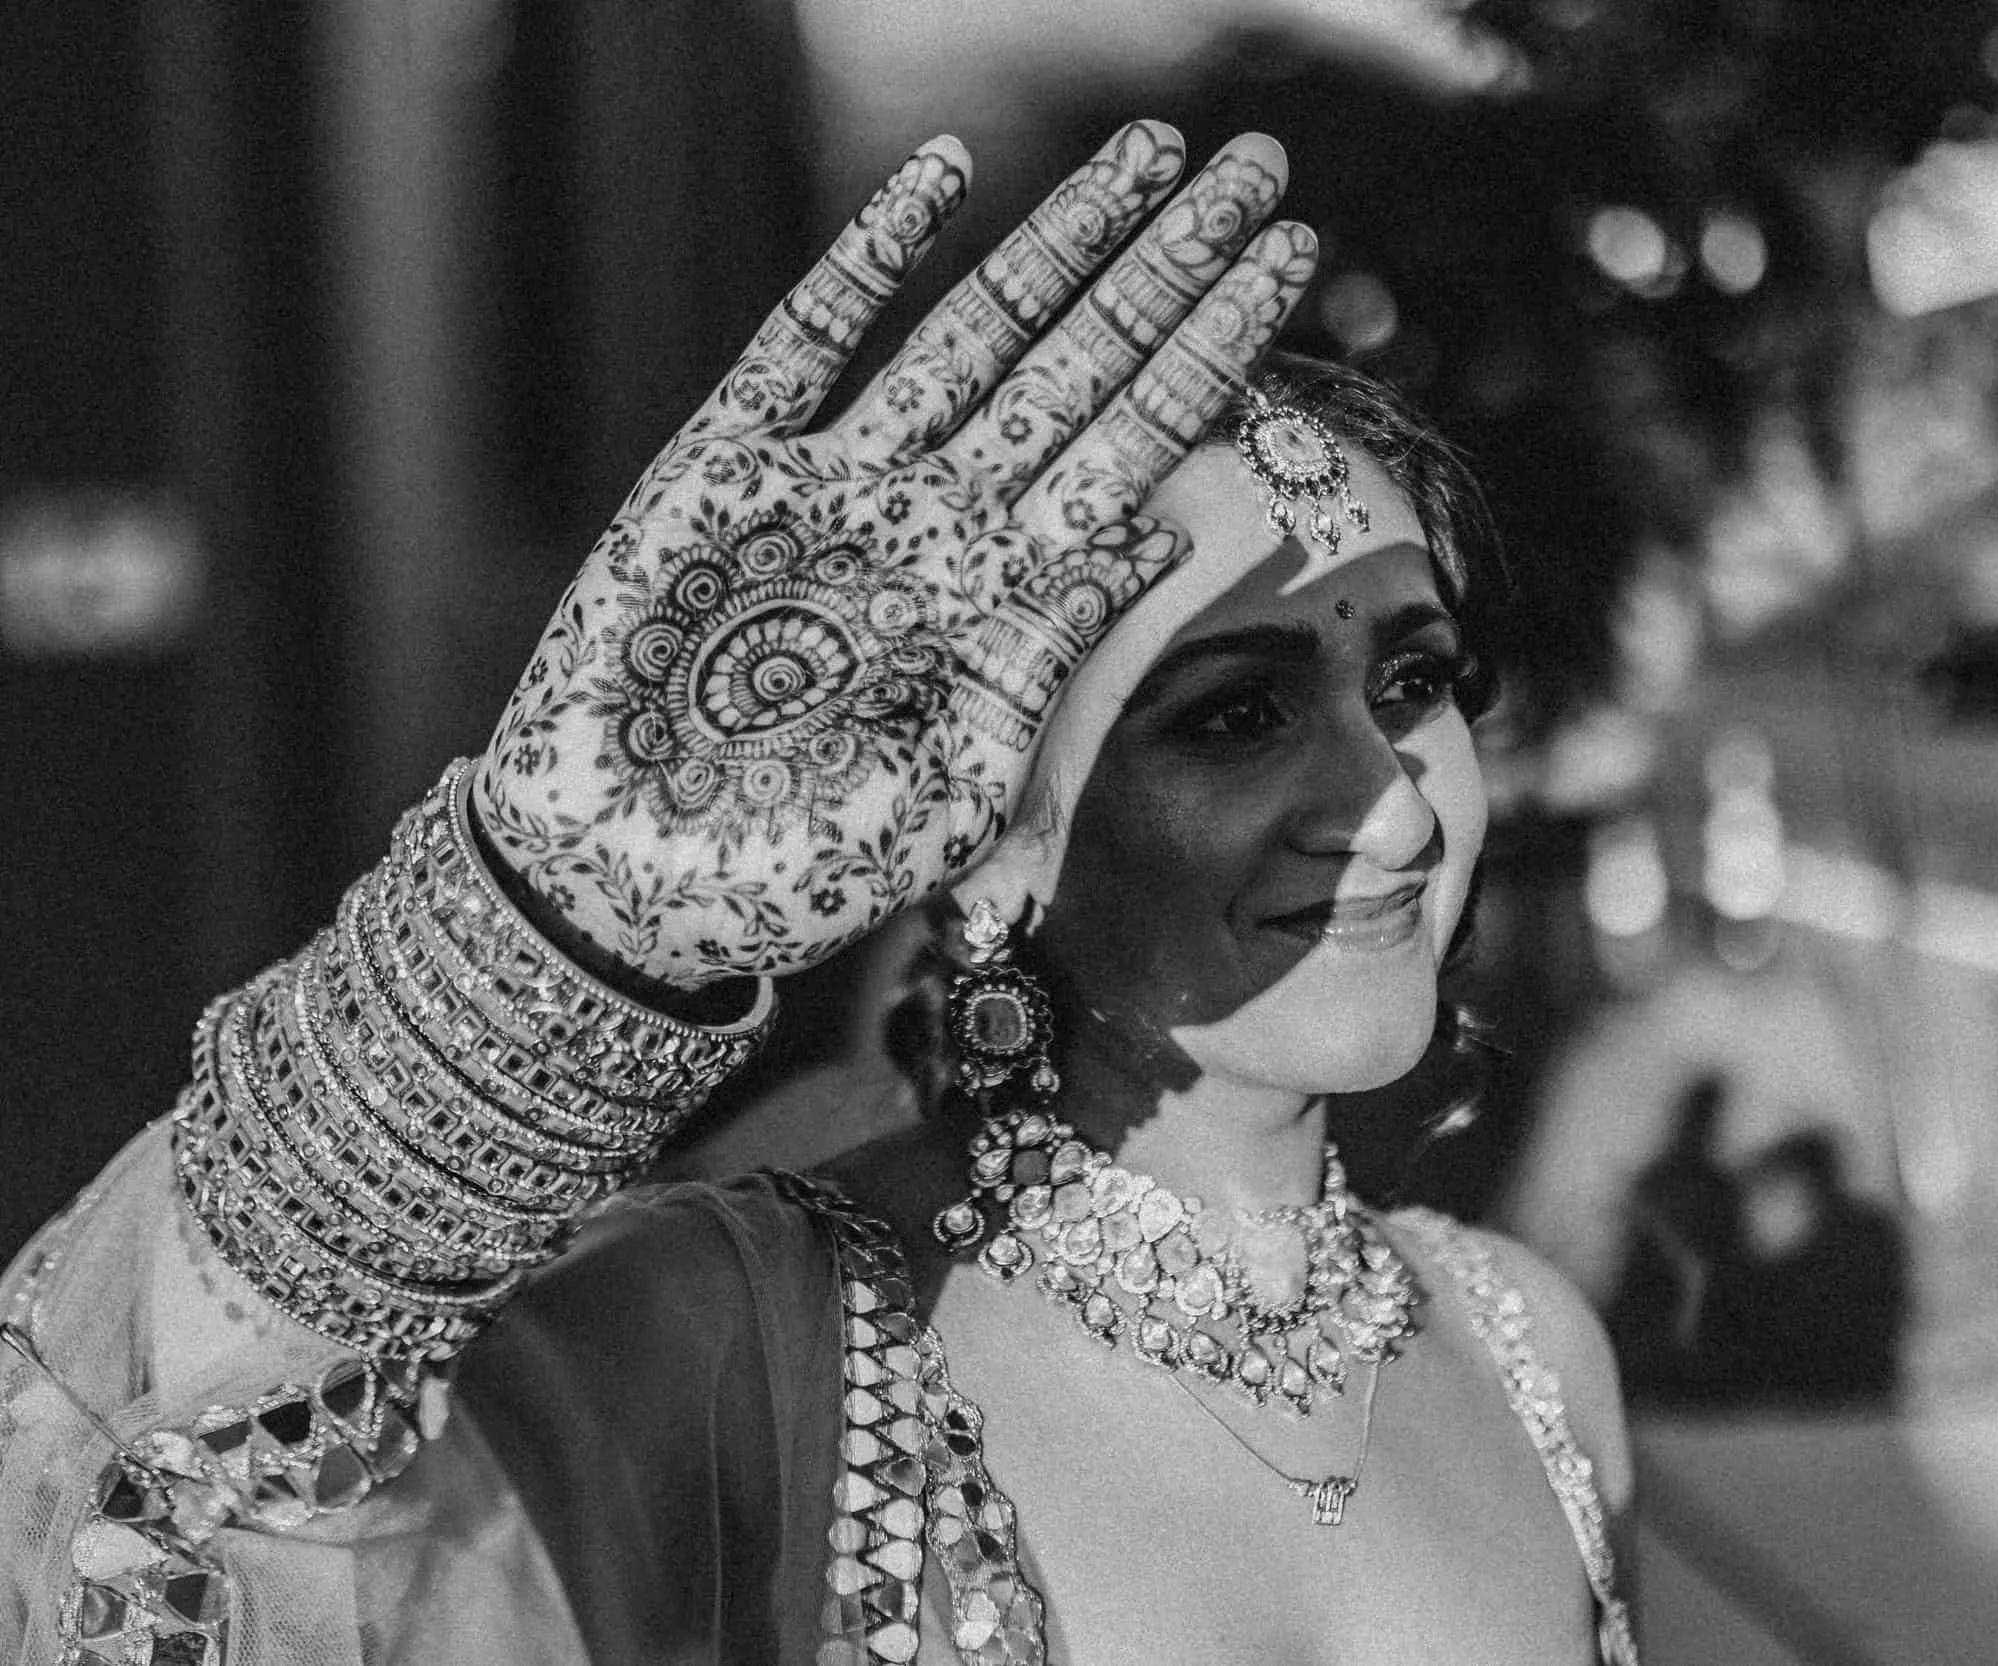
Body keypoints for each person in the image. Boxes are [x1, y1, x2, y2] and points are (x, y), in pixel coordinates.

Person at [0, 121, 1636, 1665]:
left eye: (1414, 681)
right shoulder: (741, 1333)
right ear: (989, 827)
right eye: (1236, 714)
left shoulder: (1528, 1343)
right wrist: (536, 943)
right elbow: (164, 1530)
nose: (1388, 802)